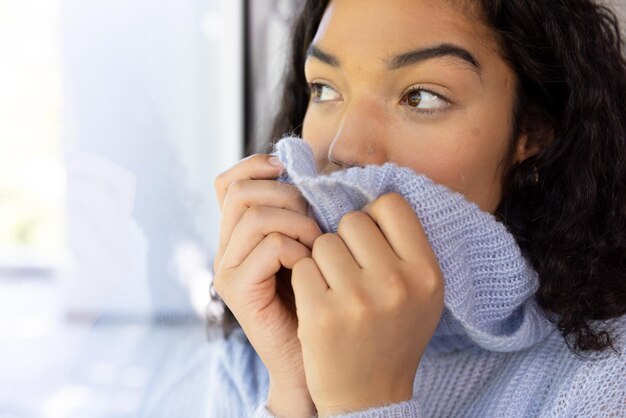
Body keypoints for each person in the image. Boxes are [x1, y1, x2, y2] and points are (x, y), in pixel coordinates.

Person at [207, 0, 626, 416]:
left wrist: (366, 401)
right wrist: (294, 389)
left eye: (421, 97)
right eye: (325, 90)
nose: (342, 149)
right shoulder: (256, 343)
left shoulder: (609, 376)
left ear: (532, 132)